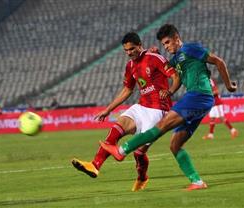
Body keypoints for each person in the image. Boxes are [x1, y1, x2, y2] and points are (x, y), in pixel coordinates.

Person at [100, 24, 237, 191]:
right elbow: (171, 73)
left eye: (168, 42)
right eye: (164, 44)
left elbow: (218, 61)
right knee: (175, 144)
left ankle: (121, 151)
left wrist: (228, 86)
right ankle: (197, 181)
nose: (166, 46)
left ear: (177, 39)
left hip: (198, 95)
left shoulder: (190, 48)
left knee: (162, 125)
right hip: (198, 101)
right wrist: (156, 59)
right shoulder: (176, 58)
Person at [71, 32, 180, 191]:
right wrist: (108, 109)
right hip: (141, 107)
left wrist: (169, 91)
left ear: (139, 45)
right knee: (116, 128)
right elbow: (127, 89)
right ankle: (95, 165)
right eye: (126, 50)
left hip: (158, 111)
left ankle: (142, 178)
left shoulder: (154, 58)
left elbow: (175, 76)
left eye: (132, 49)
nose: (129, 53)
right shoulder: (130, 66)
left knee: (139, 153)